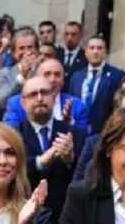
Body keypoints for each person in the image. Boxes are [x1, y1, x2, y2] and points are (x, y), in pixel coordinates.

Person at [17, 76, 87, 223]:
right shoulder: (14, 136)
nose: (40, 98)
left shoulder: (76, 134)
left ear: (54, 98)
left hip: (66, 217)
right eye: (33, 94)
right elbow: (14, 174)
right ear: (23, 103)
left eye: (45, 92)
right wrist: (39, 161)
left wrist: (70, 160)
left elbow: (87, 179)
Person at [5, 58, 89, 133]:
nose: (52, 80)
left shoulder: (77, 105)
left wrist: (69, 125)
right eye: (47, 74)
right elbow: (11, 136)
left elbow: (83, 140)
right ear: (37, 77)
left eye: (57, 75)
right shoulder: (16, 103)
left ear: (63, 80)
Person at [67, 37, 125, 135]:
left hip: (104, 133)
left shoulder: (117, 76)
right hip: (77, 133)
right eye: (92, 48)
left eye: (99, 48)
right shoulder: (76, 77)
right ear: (86, 52)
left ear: (105, 52)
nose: (95, 52)